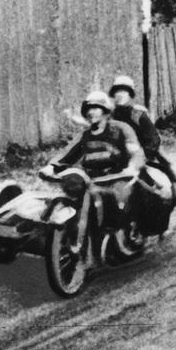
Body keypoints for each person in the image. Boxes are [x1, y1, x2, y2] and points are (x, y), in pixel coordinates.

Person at [40, 90, 144, 252]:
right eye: (88, 109)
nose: (90, 112)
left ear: (105, 111)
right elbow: (67, 154)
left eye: (95, 108)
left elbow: (135, 151)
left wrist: (132, 167)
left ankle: (127, 232)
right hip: (92, 181)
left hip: (117, 178)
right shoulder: (85, 135)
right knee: (73, 201)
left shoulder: (121, 128)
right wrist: (52, 167)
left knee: (121, 202)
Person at [108, 75, 176, 206]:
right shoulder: (112, 115)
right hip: (123, 152)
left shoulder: (138, 114)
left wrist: (144, 153)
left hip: (145, 148)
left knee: (166, 165)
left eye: (124, 91)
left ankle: (175, 195)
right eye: (117, 91)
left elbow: (153, 138)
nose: (120, 95)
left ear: (130, 94)